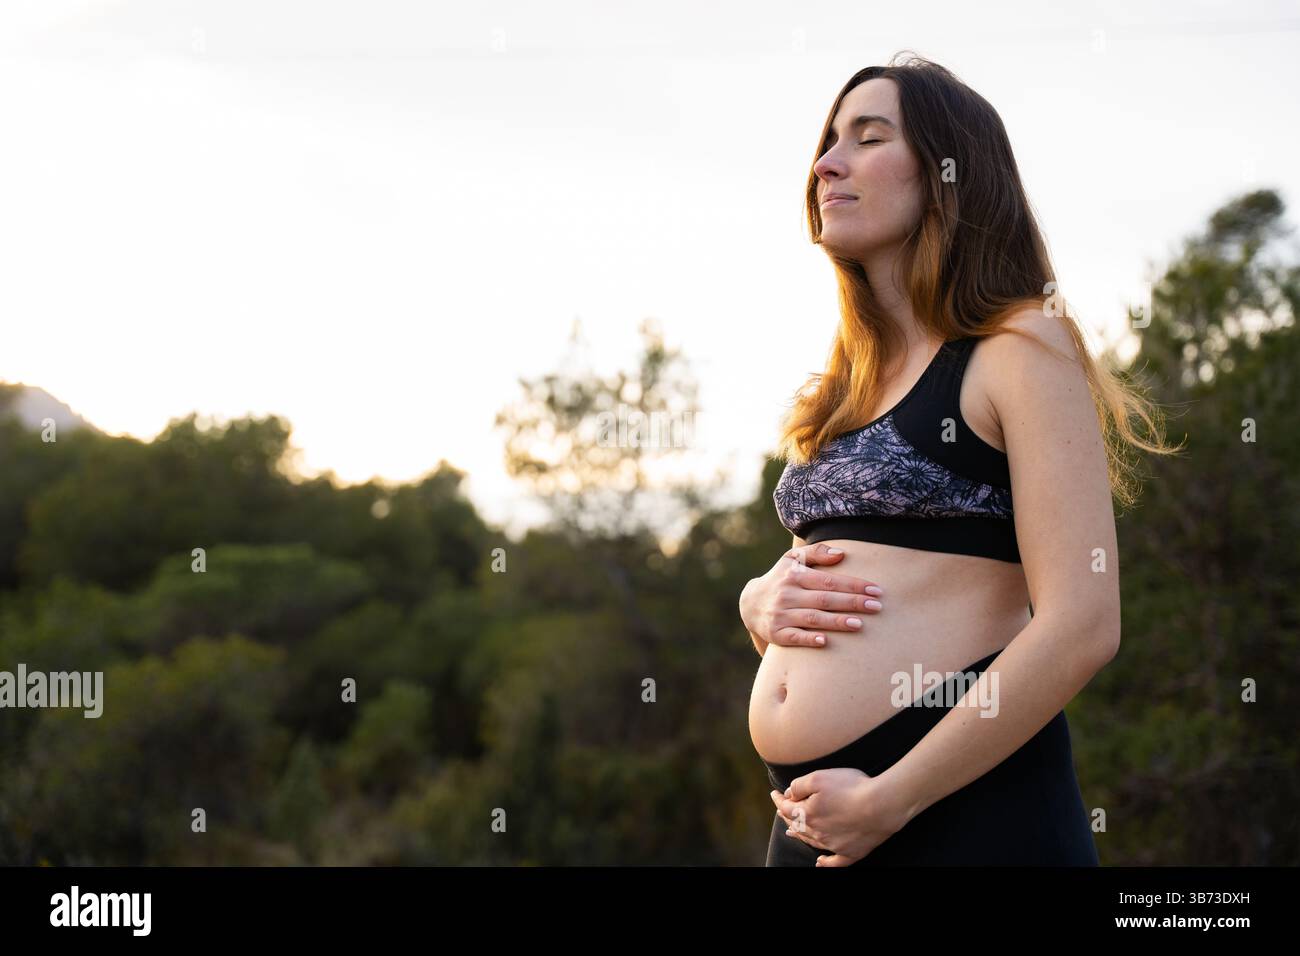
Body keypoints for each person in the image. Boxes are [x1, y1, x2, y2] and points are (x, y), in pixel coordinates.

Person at [739, 53, 1180, 866]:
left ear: (949, 175)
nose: (826, 163)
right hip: (813, 820)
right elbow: (864, 555)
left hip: (961, 813)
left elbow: (1084, 624)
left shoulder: (1021, 345)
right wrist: (757, 599)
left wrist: (888, 798)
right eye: (827, 140)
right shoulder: (847, 385)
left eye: (868, 138)